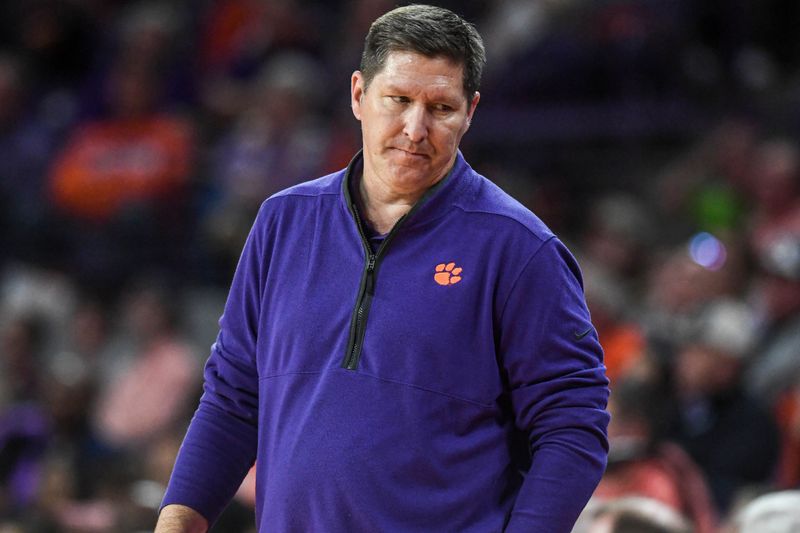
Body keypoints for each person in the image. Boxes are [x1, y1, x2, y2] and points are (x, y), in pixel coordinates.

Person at [156, 5, 609, 532]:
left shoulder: (520, 248)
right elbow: (234, 398)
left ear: (471, 111)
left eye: (441, 107)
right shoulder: (283, 221)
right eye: (398, 100)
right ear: (358, 95)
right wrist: (177, 520)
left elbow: (572, 425)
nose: (416, 128)